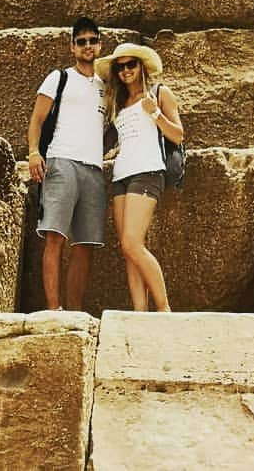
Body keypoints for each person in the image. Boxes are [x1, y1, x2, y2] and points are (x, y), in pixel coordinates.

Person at [26, 18, 107, 312]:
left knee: (85, 244)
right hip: (61, 161)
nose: (88, 46)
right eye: (81, 41)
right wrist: (34, 152)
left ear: (100, 44)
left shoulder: (105, 86)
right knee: (54, 235)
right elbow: (37, 118)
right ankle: (53, 311)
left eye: (92, 40)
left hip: (93, 169)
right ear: (72, 47)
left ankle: (74, 313)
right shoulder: (59, 77)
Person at [97, 41, 183, 313]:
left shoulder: (160, 93)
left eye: (130, 64)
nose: (125, 71)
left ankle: (164, 309)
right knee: (128, 248)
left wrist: (155, 113)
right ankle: (139, 313)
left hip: (147, 172)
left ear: (141, 66)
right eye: (120, 67)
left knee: (132, 243)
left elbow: (178, 135)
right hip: (122, 175)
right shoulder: (119, 104)